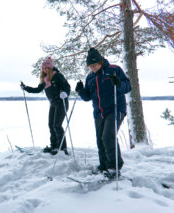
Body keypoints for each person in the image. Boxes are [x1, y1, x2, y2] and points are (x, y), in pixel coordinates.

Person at [75, 47, 131, 179]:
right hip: (99, 112)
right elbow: (88, 97)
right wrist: (80, 91)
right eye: (90, 66)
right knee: (100, 139)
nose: (93, 68)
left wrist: (118, 84)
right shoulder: (90, 77)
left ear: (100, 62)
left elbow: (127, 87)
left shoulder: (114, 70)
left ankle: (114, 167)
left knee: (108, 137)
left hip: (115, 109)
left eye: (94, 65)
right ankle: (104, 166)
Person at [20, 57, 71, 155]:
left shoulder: (58, 76)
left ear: (51, 68)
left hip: (61, 103)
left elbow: (67, 86)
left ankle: (62, 148)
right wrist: (25, 88)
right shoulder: (44, 79)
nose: (45, 69)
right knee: (51, 125)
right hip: (52, 104)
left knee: (57, 125)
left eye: (47, 68)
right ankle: (54, 146)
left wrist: (65, 93)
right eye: (43, 68)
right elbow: (37, 90)